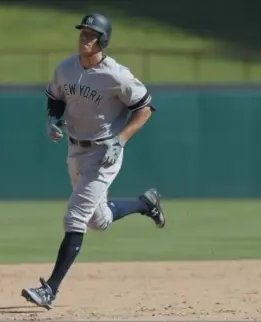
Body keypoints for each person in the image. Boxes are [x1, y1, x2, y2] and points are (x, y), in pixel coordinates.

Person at [21, 13, 165, 309]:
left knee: (75, 217)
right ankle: (145, 203)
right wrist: (51, 120)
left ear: (103, 41)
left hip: (104, 153)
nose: (84, 39)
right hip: (75, 151)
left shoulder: (117, 75)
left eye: (90, 35)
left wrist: (121, 139)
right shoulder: (66, 68)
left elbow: (145, 108)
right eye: (82, 33)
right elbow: (55, 96)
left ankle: (50, 289)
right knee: (98, 221)